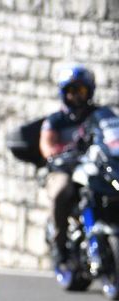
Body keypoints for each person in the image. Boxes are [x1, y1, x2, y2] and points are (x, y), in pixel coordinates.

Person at [39, 64, 101, 281]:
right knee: (61, 191)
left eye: (81, 91)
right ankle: (59, 244)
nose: (76, 96)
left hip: (93, 168)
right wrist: (57, 154)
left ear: (89, 92)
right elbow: (46, 145)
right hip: (64, 169)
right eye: (72, 91)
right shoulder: (55, 119)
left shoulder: (99, 114)